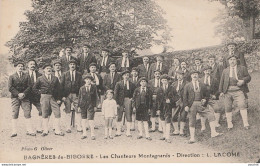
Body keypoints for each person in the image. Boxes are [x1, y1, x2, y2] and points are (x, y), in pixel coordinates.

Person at [183, 70, 222, 144]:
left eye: (196, 74)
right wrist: (186, 106)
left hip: (200, 103)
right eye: (193, 74)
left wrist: (205, 99)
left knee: (210, 114)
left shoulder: (202, 84)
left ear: (198, 76)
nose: (195, 76)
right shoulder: (187, 85)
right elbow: (184, 97)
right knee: (192, 120)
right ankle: (192, 138)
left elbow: (207, 95)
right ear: (191, 76)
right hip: (192, 104)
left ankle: (213, 133)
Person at [219, 55, 251, 130]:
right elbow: (222, 81)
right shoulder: (225, 70)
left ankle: (246, 123)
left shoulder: (242, 68)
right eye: (230, 60)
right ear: (228, 61)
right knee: (228, 107)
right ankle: (229, 125)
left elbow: (248, 77)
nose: (232, 61)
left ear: (236, 60)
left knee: (242, 105)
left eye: (234, 59)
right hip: (228, 92)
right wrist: (221, 91)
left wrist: (243, 81)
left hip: (239, 90)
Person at [33, 63, 64, 137]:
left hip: (54, 97)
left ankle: (57, 130)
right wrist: (40, 93)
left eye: (50, 68)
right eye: (47, 68)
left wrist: (59, 99)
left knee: (57, 113)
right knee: (45, 113)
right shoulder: (40, 78)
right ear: (44, 70)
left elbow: (59, 89)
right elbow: (34, 89)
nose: (49, 69)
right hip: (44, 97)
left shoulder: (55, 78)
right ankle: (45, 130)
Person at [8, 61, 35, 137]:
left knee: (27, 113)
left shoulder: (27, 76)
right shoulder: (12, 76)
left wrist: (24, 93)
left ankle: (29, 130)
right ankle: (14, 131)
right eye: (19, 66)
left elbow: (30, 86)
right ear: (16, 67)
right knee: (15, 113)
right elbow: (10, 87)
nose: (20, 67)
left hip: (25, 97)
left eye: (21, 66)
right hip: (15, 98)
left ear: (23, 67)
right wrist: (18, 94)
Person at [61, 59, 83, 133]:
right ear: (69, 65)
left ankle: (79, 126)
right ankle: (68, 127)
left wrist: (80, 95)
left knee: (78, 110)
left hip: (76, 94)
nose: (72, 65)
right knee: (67, 110)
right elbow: (61, 85)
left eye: (74, 64)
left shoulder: (79, 74)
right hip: (67, 95)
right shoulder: (64, 74)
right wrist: (63, 96)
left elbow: (81, 86)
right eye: (71, 64)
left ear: (76, 66)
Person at [200, 65, 224, 130]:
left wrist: (215, 95)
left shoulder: (214, 79)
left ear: (210, 71)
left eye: (208, 70)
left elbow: (218, 89)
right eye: (206, 71)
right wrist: (202, 98)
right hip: (204, 98)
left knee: (217, 108)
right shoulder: (200, 80)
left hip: (211, 97)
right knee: (203, 110)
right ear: (203, 71)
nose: (207, 72)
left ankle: (216, 123)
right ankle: (203, 126)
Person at [157, 74, 178, 143]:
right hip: (161, 106)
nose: (164, 81)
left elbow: (177, 97)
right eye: (162, 80)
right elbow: (158, 100)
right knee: (162, 120)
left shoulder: (172, 88)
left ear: (168, 81)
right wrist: (158, 109)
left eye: (165, 80)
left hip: (169, 106)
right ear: (161, 81)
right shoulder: (159, 89)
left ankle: (168, 137)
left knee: (168, 121)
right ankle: (164, 135)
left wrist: (171, 100)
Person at [114, 70, 136, 137]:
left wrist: (132, 98)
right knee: (119, 115)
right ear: (122, 76)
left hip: (128, 100)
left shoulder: (132, 84)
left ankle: (128, 131)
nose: (126, 76)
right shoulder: (118, 83)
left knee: (128, 115)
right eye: (125, 75)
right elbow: (116, 94)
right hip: (120, 101)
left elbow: (134, 93)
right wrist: (116, 103)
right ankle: (118, 131)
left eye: (127, 75)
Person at [78, 74, 98, 140]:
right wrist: (79, 106)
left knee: (90, 120)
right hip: (83, 105)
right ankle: (84, 133)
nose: (88, 81)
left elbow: (95, 97)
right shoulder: (81, 88)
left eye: (89, 79)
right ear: (84, 80)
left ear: (91, 80)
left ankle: (92, 134)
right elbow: (79, 97)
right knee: (83, 119)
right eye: (86, 79)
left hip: (91, 105)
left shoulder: (94, 87)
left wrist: (95, 106)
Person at [26, 59, 42, 133]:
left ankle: (39, 128)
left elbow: (43, 85)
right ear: (28, 66)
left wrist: (40, 92)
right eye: (31, 64)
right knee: (28, 112)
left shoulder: (40, 75)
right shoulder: (24, 74)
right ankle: (29, 129)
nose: (32, 65)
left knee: (42, 111)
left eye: (34, 64)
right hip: (27, 97)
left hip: (37, 97)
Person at [171, 69, 188, 136]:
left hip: (184, 102)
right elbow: (171, 94)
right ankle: (176, 130)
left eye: (180, 75)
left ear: (183, 76)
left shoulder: (187, 83)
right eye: (177, 75)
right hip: (176, 102)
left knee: (183, 116)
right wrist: (175, 100)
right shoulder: (173, 84)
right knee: (173, 116)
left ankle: (181, 131)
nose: (179, 76)